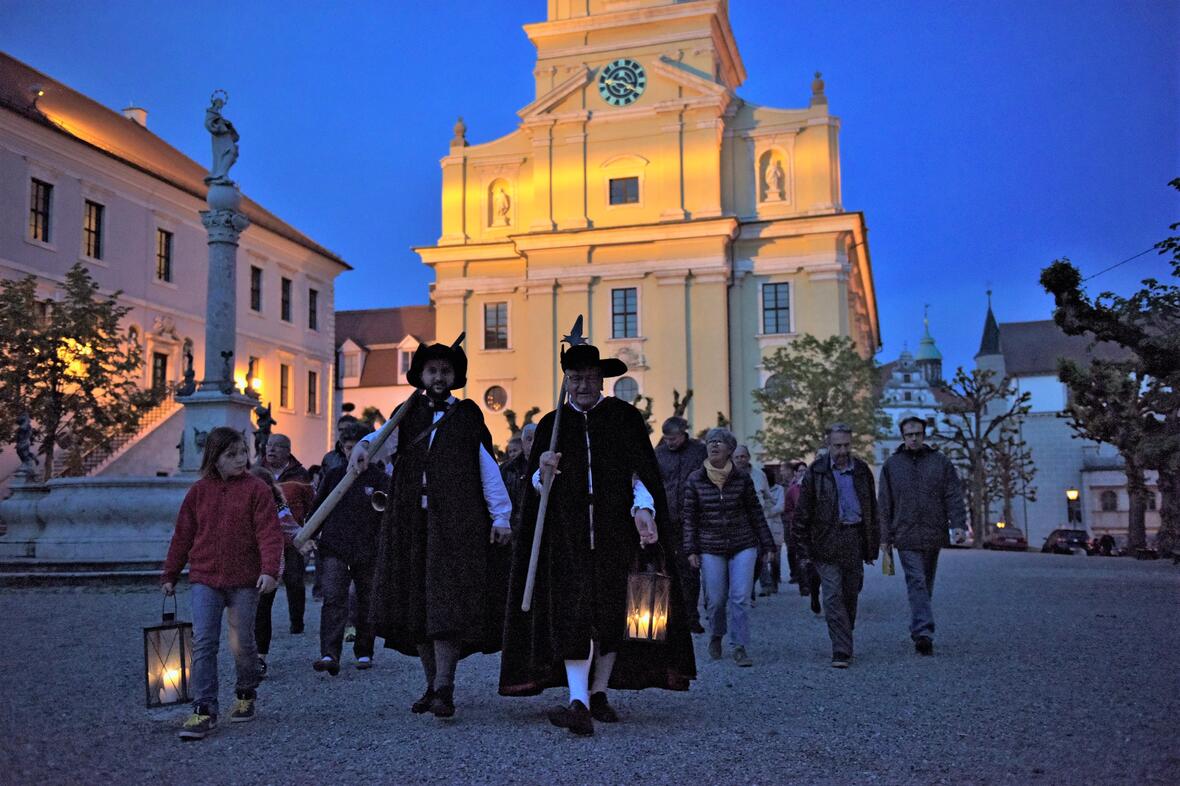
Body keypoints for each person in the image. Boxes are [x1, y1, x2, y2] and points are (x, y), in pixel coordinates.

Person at [500, 344, 696, 737]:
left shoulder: (624, 419)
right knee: (574, 615)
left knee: (610, 614)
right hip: (567, 539)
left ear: (601, 380)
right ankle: (578, 701)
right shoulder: (552, 425)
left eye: (590, 378)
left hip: (613, 534)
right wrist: (543, 472)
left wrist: (644, 511)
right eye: (575, 379)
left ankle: (600, 691)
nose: (583, 385)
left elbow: (640, 475)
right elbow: (535, 489)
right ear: (567, 382)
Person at [349, 340, 512, 719]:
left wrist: (501, 516)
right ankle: (431, 685)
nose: (439, 377)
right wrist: (362, 445)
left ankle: (444, 687)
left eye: (445, 371)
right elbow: (382, 439)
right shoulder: (407, 411)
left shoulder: (468, 414)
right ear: (421, 376)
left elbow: (486, 466)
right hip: (410, 522)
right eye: (432, 371)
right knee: (417, 605)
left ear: (455, 377)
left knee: (446, 604)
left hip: (455, 524)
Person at [161, 427, 282, 740]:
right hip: (205, 577)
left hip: (245, 580)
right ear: (214, 459)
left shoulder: (257, 490)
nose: (241, 459)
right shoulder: (198, 493)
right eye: (232, 455)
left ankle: (245, 691)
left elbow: (269, 533)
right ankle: (205, 708)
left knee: (242, 642)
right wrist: (170, 574)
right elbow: (183, 535)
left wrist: (269, 570)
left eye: (243, 452)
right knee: (204, 641)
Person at [683, 430, 776, 666]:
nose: (714, 445)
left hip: (742, 543)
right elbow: (690, 518)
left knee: (740, 597)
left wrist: (768, 544)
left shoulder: (742, 478)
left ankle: (740, 645)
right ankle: (716, 633)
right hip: (710, 545)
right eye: (711, 441)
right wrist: (691, 550)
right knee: (715, 599)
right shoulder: (696, 479)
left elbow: (756, 513)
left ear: (730, 450)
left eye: (720, 442)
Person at [793, 423, 879, 669]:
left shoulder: (861, 470)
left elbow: (871, 509)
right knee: (832, 595)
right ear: (828, 445)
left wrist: (872, 545)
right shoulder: (816, 472)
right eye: (837, 445)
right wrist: (803, 549)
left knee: (851, 593)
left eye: (846, 445)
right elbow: (803, 512)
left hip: (854, 538)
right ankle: (841, 649)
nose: (842, 450)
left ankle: (844, 632)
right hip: (826, 539)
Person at [878, 416, 966, 656]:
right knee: (916, 580)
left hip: (932, 532)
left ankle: (919, 623)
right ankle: (924, 632)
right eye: (909, 434)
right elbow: (884, 504)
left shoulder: (940, 462)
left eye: (917, 433)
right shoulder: (892, 465)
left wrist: (958, 524)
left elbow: (953, 495)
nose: (914, 438)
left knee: (925, 583)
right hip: (904, 533)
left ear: (924, 435)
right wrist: (884, 537)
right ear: (903, 436)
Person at [311, 423, 387, 673]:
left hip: (369, 547)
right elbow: (319, 506)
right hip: (336, 546)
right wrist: (309, 534)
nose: (350, 452)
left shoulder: (380, 478)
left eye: (355, 447)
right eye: (346, 448)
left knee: (366, 601)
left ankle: (364, 652)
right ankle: (329, 654)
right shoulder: (333, 475)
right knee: (333, 599)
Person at [655, 416, 708, 633]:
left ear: (684, 433)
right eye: (666, 439)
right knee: (665, 567)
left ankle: (691, 617)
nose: (670, 443)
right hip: (666, 517)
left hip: (692, 518)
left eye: (673, 439)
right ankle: (666, 616)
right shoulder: (658, 454)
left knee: (690, 570)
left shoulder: (699, 451)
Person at [249, 466, 301, 679]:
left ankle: (260, 656)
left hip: (269, 567)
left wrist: (307, 540)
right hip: (244, 566)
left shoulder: (278, 507)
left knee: (262, 610)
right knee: (246, 613)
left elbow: (292, 530)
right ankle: (248, 654)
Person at [263, 434, 314, 635]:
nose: (271, 450)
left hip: (293, 540)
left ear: (287, 450)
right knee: (266, 584)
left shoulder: (300, 474)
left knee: (295, 582)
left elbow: (312, 504)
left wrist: (308, 534)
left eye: (277, 446)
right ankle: (261, 624)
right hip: (266, 541)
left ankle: (297, 623)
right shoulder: (258, 472)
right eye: (269, 445)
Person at [733, 445, 784, 597]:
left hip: (756, 521)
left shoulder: (759, 475)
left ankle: (751, 585)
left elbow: (768, 496)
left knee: (759, 556)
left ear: (748, 457)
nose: (740, 459)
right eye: (737, 457)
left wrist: (769, 513)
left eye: (743, 456)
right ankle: (746, 590)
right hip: (736, 522)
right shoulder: (727, 474)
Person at [500, 423, 536, 535]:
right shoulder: (507, 469)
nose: (533, 443)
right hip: (513, 528)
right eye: (529, 439)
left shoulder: (547, 467)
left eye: (537, 439)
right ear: (522, 442)